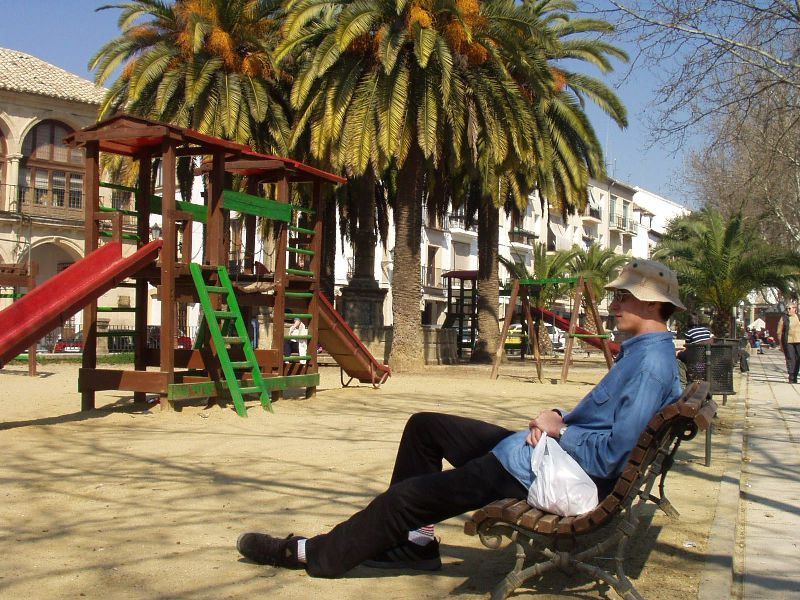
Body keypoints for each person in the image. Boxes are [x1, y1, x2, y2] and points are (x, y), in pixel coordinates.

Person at [237, 259, 686, 578]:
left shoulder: (648, 366)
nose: (612, 304)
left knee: (406, 500)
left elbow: (611, 457)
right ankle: (415, 546)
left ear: (650, 305)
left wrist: (561, 429)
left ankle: (311, 554)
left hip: (537, 471)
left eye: (622, 296)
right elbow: (607, 427)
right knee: (425, 427)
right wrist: (556, 415)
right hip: (537, 454)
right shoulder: (645, 355)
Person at [777, 301, 800, 383]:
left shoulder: (798, 317)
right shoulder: (783, 318)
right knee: (791, 359)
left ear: (795, 309)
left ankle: (795, 376)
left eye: (790, 308)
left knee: (798, 359)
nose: (788, 310)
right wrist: (780, 344)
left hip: (799, 341)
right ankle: (791, 377)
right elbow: (779, 332)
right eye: (787, 309)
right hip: (788, 341)